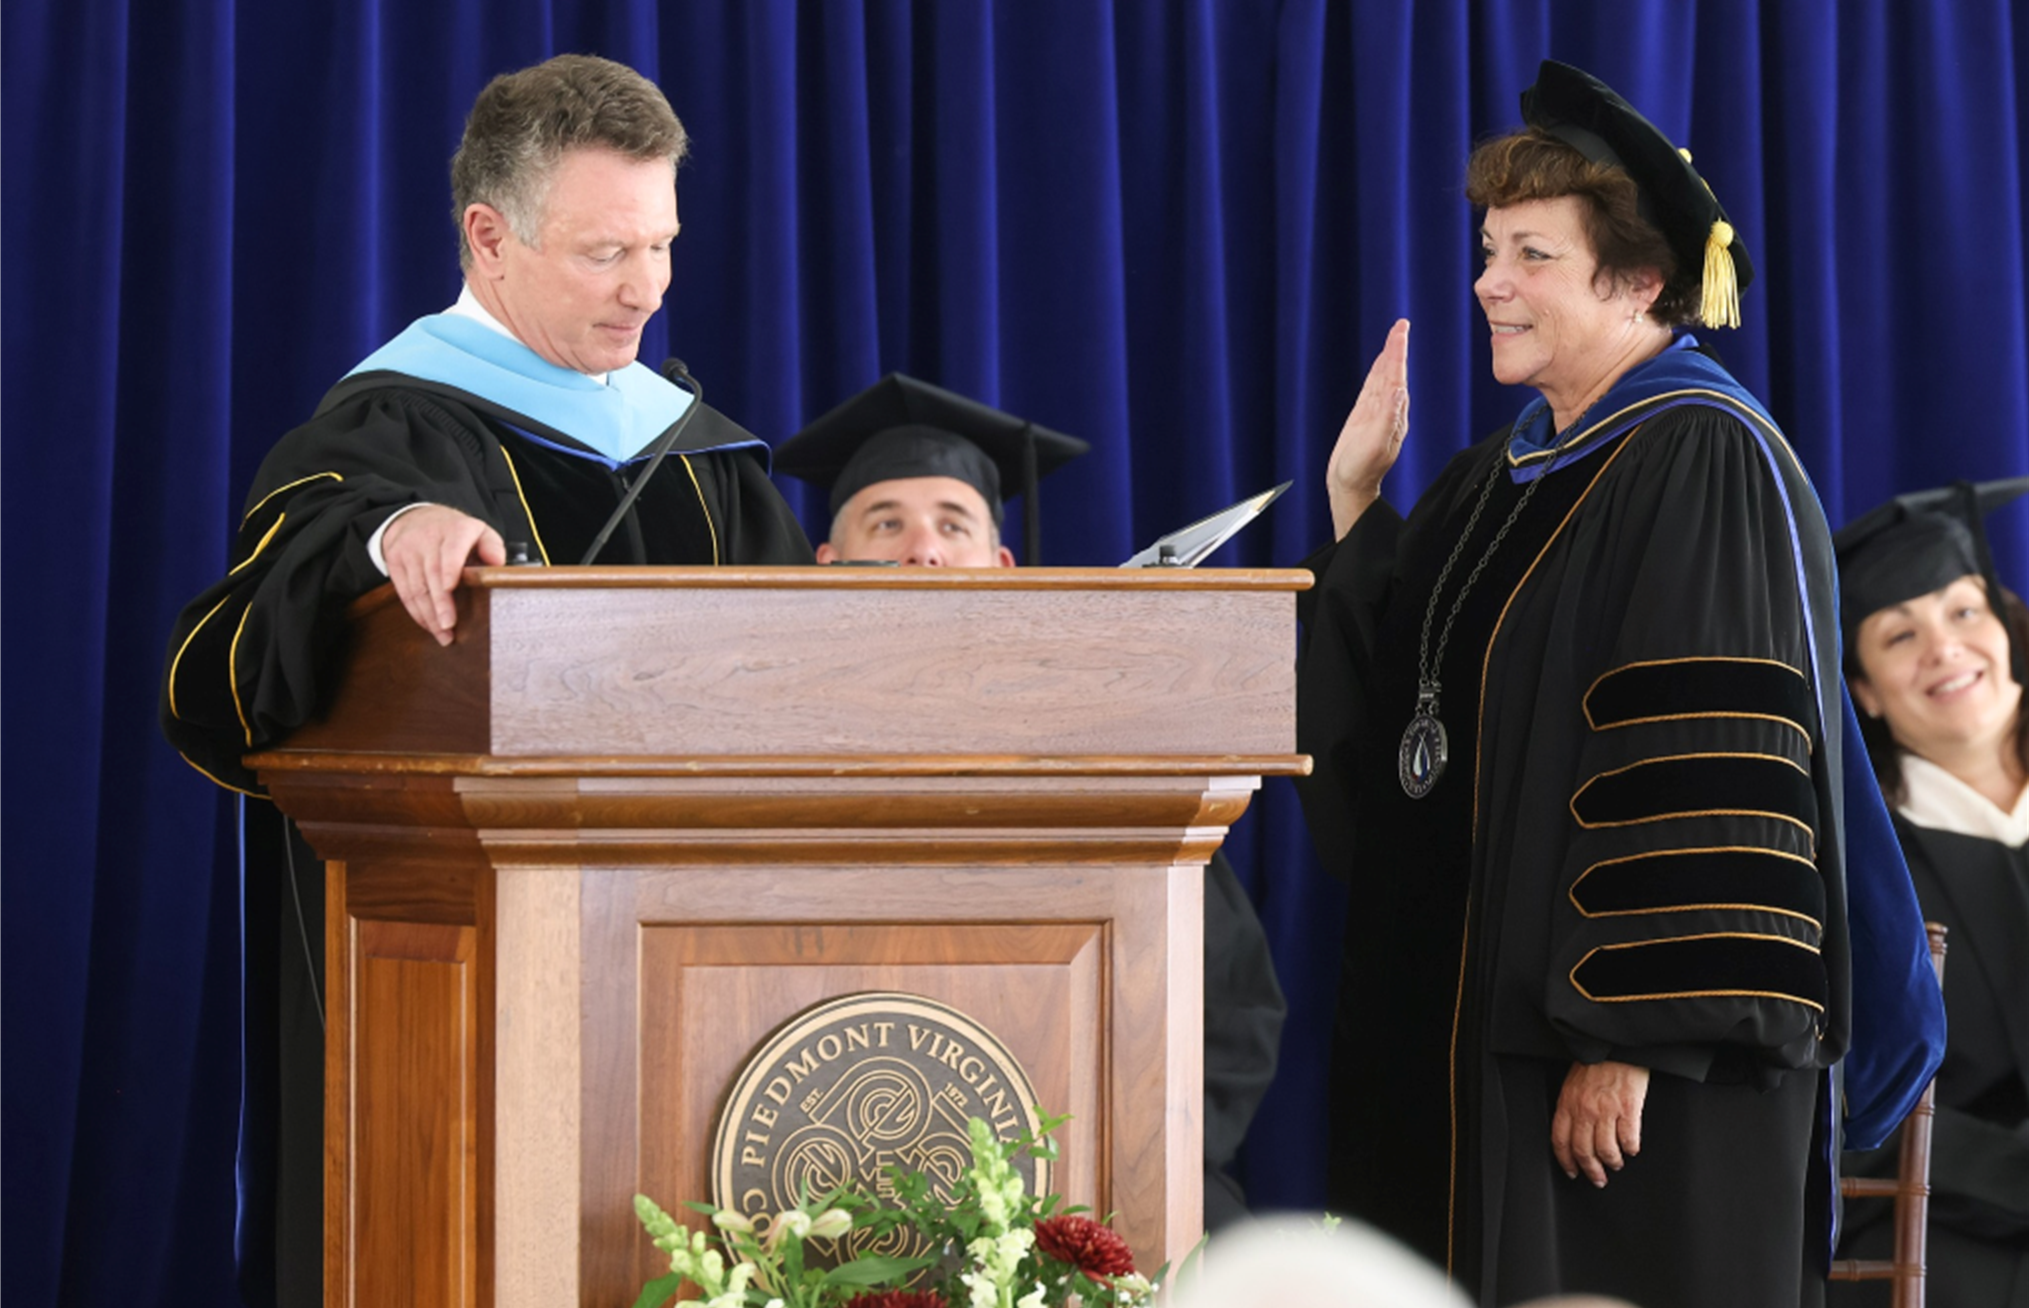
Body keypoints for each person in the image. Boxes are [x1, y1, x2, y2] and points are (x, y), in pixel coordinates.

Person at [158, 54, 811, 1307]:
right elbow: (218, 673)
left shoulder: (695, 450)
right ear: (488, 237)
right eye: (605, 253)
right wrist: (376, 539)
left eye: (661, 245)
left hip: (718, 997)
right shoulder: (384, 434)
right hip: (463, 1017)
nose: (648, 291)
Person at [1292, 61, 1932, 1306]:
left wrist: (1636, 1037)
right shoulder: (1508, 471)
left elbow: (1702, 776)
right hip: (1488, 1050)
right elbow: (1410, 726)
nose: (1487, 282)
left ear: (1638, 282)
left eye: (1530, 254)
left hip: (1627, 1081)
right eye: (1489, 249)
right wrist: (1354, 502)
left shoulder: (1700, 455)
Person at [776, 373, 1288, 1228]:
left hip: (1090, 1164)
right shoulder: (760, 753)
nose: (922, 550)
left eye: (952, 524)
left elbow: (1229, 999)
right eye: (886, 522)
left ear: (1000, 565)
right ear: (825, 563)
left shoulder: (1101, 750)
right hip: (836, 1176)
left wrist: (1147, 1160)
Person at [1829, 478, 2029, 1308]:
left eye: (1960, 611)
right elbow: (1851, 1108)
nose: (1943, 649)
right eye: (1896, 634)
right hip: (1943, 1232)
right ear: (1865, 694)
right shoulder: (1860, 871)